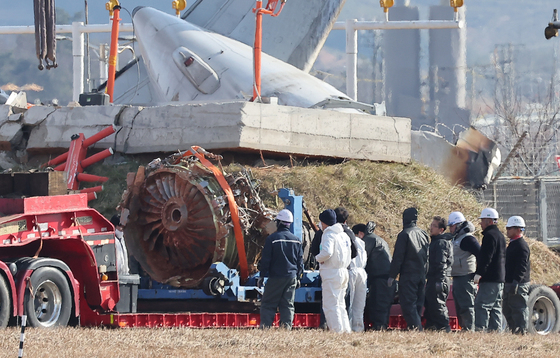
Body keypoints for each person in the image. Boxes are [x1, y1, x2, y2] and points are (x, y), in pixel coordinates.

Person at [259, 209, 304, 329]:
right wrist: (299, 276)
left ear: (279, 222)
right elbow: (300, 261)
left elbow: (266, 260)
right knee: (288, 304)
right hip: (291, 277)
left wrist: (262, 276)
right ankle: (286, 328)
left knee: (268, 303)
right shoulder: (296, 240)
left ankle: (265, 328)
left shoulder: (272, 239)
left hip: (276, 277)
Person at [388, 207, 430, 331]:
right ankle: (413, 327)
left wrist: (392, 275)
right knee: (418, 303)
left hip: (408, 274)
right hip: (421, 274)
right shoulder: (423, 234)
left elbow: (398, 257)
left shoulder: (405, 234)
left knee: (408, 303)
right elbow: (427, 256)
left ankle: (416, 328)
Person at [315, 209, 352, 333]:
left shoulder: (329, 233)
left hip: (331, 272)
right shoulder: (343, 234)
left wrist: (318, 258)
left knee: (330, 304)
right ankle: (345, 329)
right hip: (343, 272)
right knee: (340, 304)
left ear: (324, 222)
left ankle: (336, 330)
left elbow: (327, 252)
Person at [352, 221, 394, 330]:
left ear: (360, 233)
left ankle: (379, 327)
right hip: (386, 277)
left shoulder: (368, 241)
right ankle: (380, 326)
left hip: (380, 277)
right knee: (382, 304)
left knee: (378, 304)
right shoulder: (378, 239)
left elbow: (361, 260)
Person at [474, 207, 506, 332]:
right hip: (499, 278)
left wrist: (479, 273)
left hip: (490, 278)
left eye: (482, 220)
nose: (481, 223)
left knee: (482, 305)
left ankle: (480, 330)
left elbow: (487, 257)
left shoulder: (489, 236)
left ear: (489, 221)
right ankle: (496, 331)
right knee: (495, 306)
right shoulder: (500, 236)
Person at [448, 211, 480, 331]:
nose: (450, 229)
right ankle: (465, 329)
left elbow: (480, 254)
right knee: (459, 306)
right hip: (457, 277)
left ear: (459, 225)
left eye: (452, 226)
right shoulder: (457, 238)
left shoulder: (468, 239)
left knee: (467, 306)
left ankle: (470, 330)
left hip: (465, 277)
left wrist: (478, 272)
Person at [424, 216, 453, 332]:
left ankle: (445, 328)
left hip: (438, 279)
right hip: (434, 278)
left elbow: (441, 263)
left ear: (441, 229)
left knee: (438, 305)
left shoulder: (441, 243)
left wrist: (440, 281)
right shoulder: (436, 242)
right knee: (431, 306)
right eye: (431, 225)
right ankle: (431, 328)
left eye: (434, 226)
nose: (431, 228)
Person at [503, 216, 531, 334]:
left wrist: (516, 281)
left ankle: (521, 331)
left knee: (518, 308)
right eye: (507, 228)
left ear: (518, 229)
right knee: (508, 308)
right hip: (510, 281)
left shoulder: (521, 245)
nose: (507, 230)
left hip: (518, 283)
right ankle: (514, 330)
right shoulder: (513, 244)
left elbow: (522, 266)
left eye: (510, 228)